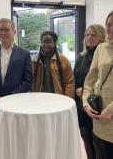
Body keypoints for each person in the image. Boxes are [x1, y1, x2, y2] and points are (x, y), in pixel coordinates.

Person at [0, 18, 33, 131]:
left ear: (14, 32)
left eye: (6, 29)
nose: (3, 33)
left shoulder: (24, 54)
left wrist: (10, 97)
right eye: (0, 30)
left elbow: (27, 80)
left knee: (16, 138)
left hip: (16, 105)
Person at [83, 11, 113, 159]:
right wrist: (86, 103)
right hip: (98, 118)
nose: (111, 29)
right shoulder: (101, 49)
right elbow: (90, 80)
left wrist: (111, 109)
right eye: (109, 24)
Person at [74, 24, 106, 159]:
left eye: (93, 35)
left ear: (101, 37)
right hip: (82, 107)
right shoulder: (81, 57)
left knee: (98, 143)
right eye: (87, 34)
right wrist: (77, 89)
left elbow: (105, 81)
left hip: (97, 106)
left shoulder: (105, 58)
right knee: (86, 139)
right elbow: (75, 77)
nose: (89, 37)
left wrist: (88, 90)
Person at [32, 31, 74, 98]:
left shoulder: (63, 60)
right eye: (44, 42)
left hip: (58, 98)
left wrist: (67, 99)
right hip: (39, 97)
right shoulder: (34, 61)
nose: (46, 45)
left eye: (49, 42)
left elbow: (70, 83)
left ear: (54, 43)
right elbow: (31, 81)